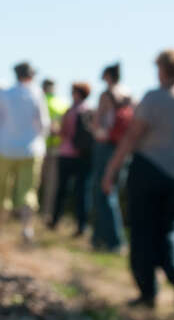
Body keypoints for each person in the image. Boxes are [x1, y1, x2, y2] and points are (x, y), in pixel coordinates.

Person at [102, 48, 174, 309]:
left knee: (141, 230)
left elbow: (132, 137)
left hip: (149, 169)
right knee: (169, 228)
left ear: (161, 68)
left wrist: (111, 170)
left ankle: (147, 292)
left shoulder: (154, 98)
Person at [0, 62, 50, 241]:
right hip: (31, 150)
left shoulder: (5, 95)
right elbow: (44, 124)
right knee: (28, 190)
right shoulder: (37, 94)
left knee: (1, 188)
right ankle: (26, 229)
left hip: (6, 149)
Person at [90, 63, 132, 252]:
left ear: (107, 75)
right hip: (122, 147)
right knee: (111, 190)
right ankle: (104, 238)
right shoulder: (128, 94)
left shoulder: (106, 95)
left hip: (105, 145)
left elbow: (98, 123)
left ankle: (110, 240)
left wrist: (94, 129)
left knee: (103, 191)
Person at [49, 82, 94, 236]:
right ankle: (82, 225)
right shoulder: (90, 110)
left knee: (61, 190)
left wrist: (54, 129)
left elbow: (63, 132)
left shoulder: (71, 111)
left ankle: (55, 220)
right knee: (82, 192)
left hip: (67, 154)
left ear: (76, 93)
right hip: (84, 156)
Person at [39, 79, 69, 219]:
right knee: (51, 182)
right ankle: (46, 212)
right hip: (56, 147)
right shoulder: (62, 103)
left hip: (40, 146)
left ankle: (26, 211)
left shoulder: (40, 101)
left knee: (35, 181)